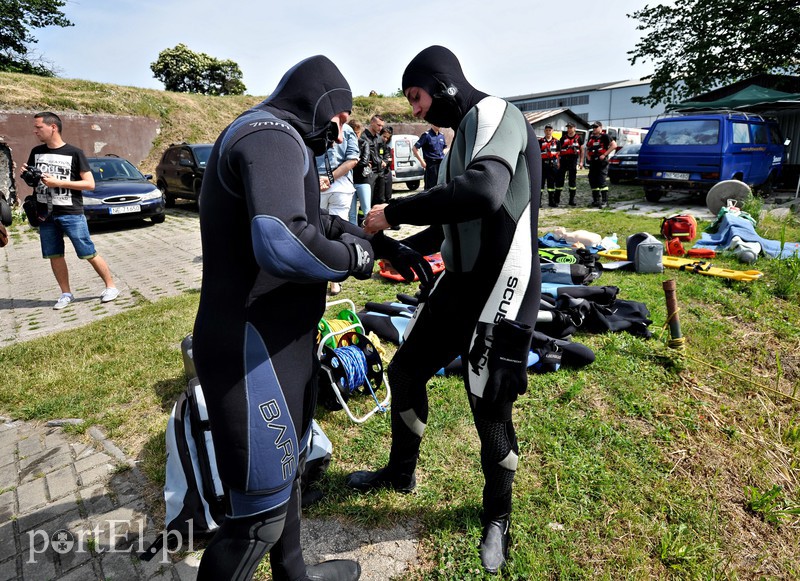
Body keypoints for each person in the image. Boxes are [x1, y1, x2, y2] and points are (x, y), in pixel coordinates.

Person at [191, 55, 432, 581]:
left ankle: (293, 574)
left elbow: (318, 218)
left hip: (284, 346)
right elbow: (282, 240)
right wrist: (358, 262)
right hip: (251, 352)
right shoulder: (269, 134)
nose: (341, 128)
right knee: (256, 520)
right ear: (320, 101)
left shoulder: (278, 137)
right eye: (341, 116)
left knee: (291, 477)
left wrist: (383, 244)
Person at [348, 45, 541, 575]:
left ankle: (497, 516)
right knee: (406, 370)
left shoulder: (496, 112)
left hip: (502, 288)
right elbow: (457, 219)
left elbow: (482, 193)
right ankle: (400, 472)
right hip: (459, 285)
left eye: (416, 95)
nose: (414, 110)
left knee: (490, 411)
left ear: (442, 82)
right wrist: (406, 242)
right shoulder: (467, 136)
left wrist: (394, 211)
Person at [22, 112, 119, 310]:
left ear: (53, 127)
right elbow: (35, 180)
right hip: (45, 213)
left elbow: (89, 184)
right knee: (54, 255)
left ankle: (111, 287)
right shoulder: (36, 151)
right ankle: (66, 294)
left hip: (70, 212)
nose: (35, 131)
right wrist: (28, 176)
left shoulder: (74, 153)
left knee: (87, 252)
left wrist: (58, 182)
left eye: (38, 127)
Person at [316, 121, 359, 295]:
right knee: (337, 232)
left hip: (316, 184)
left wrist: (322, 179)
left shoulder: (315, 125)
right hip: (341, 185)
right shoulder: (347, 129)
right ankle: (335, 280)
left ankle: (320, 277)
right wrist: (331, 178)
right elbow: (353, 159)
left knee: (317, 231)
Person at [585, 121, 616, 208]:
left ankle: (605, 201)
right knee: (593, 181)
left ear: (600, 128)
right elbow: (587, 148)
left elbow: (614, 145)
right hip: (593, 163)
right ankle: (596, 201)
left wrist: (604, 154)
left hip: (601, 163)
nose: (594, 129)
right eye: (593, 127)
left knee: (602, 181)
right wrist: (588, 156)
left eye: (596, 127)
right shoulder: (591, 137)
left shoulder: (605, 136)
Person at [350, 120, 372, 226]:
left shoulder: (363, 142)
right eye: (353, 133)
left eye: (357, 133)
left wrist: (349, 164)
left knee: (367, 210)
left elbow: (365, 161)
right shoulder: (346, 142)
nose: (356, 135)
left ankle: (370, 233)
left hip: (362, 179)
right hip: (349, 180)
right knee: (351, 213)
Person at [556, 121, 584, 206]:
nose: (569, 129)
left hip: (573, 161)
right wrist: (558, 162)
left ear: (574, 128)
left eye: (570, 127)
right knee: (560, 180)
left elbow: (582, 151)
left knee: (572, 181)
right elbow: (558, 151)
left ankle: (571, 200)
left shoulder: (579, 138)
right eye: (568, 128)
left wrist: (581, 162)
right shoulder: (563, 138)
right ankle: (557, 199)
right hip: (563, 160)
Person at [412, 124, 447, 190]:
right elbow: (414, 148)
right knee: (431, 187)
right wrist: (422, 162)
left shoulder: (441, 136)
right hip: (431, 165)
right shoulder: (427, 135)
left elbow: (444, 148)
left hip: (441, 164)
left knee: (441, 185)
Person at [363, 115, 387, 205]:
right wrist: (364, 163)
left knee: (380, 200)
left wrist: (385, 160)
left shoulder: (379, 138)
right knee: (367, 201)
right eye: (378, 125)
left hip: (380, 172)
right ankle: (363, 219)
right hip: (369, 173)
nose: (380, 128)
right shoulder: (363, 137)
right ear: (372, 122)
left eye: (382, 126)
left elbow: (385, 152)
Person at [538, 124, 560, 207]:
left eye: (549, 130)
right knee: (541, 184)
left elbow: (558, 154)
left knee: (551, 184)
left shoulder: (557, 141)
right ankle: (538, 202)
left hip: (552, 165)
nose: (548, 132)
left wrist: (558, 163)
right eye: (546, 130)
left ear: (552, 131)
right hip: (543, 165)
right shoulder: (540, 141)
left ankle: (551, 202)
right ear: (544, 131)